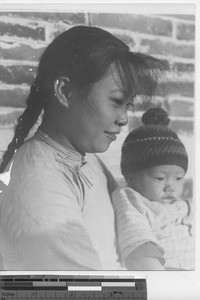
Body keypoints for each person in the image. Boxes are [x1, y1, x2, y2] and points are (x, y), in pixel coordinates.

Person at [0, 25, 169, 271]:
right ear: (65, 91)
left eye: (127, 105)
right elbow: (81, 289)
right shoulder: (37, 179)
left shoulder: (86, 157)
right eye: (116, 101)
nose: (124, 119)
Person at [112, 107, 194, 270]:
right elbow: (137, 241)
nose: (171, 186)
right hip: (167, 270)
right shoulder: (132, 200)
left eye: (178, 178)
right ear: (130, 177)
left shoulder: (185, 205)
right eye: (160, 178)